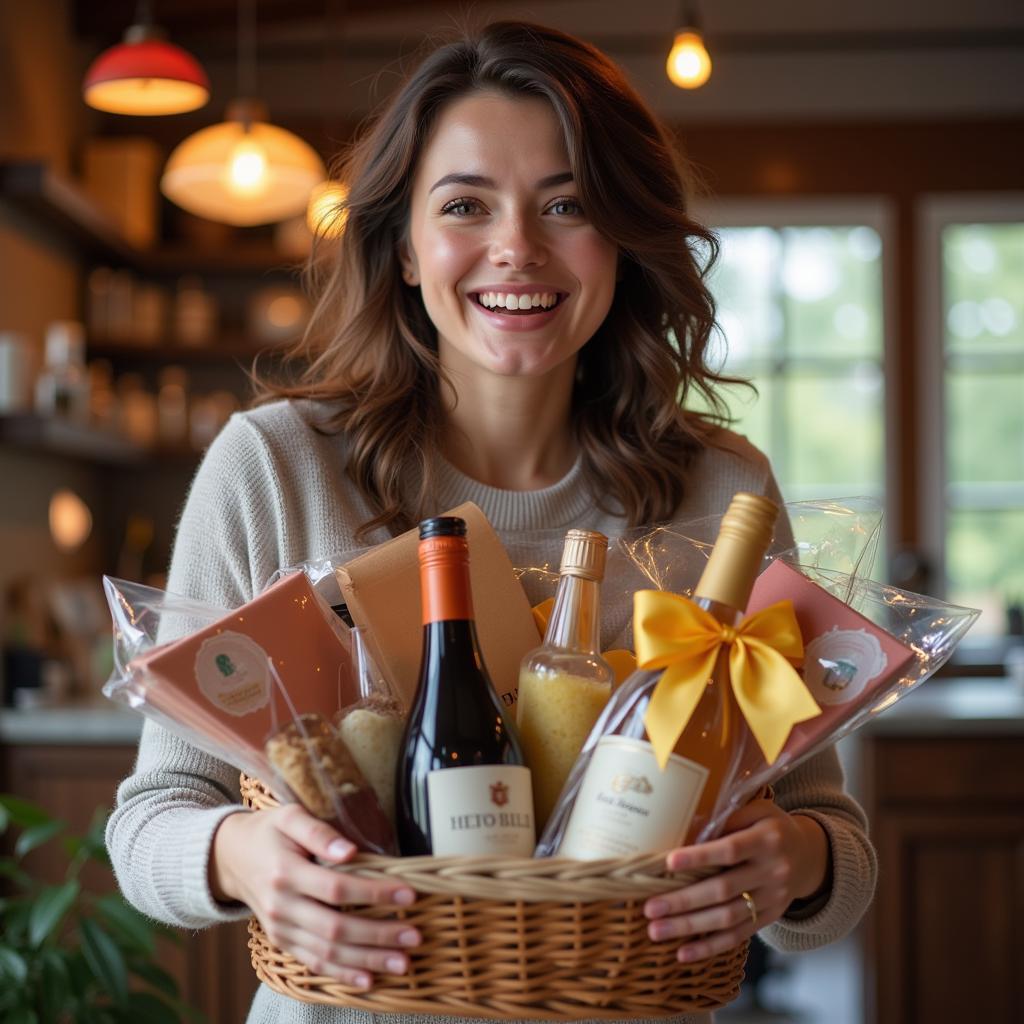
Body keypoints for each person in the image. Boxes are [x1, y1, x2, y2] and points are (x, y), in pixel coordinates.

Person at [106, 20, 876, 1024]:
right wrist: (244, 858)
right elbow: (147, 824)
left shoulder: (721, 491)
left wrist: (796, 866)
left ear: (622, 241)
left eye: (567, 204)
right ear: (406, 249)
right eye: (465, 204)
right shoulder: (277, 466)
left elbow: (829, 838)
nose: (517, 246)